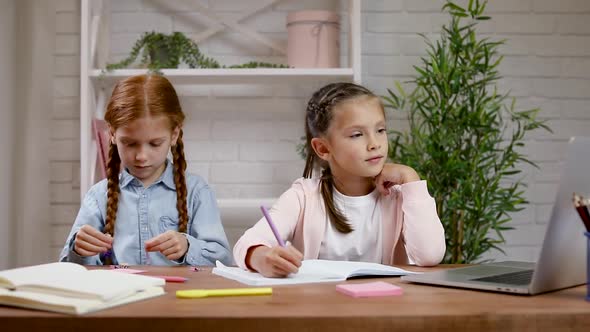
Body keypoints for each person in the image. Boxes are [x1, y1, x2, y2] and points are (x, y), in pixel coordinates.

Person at [233, 82, 445, 277]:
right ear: (323, 148)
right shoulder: (303, 197)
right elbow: (247, 243)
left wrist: (411, 178)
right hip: (318, 309)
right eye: (356, 135)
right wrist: (261, 258)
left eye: (380, 130)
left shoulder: (397, 197)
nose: (375, 143)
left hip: (383, 309)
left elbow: (430, 255)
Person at [59, 74, 232, 266]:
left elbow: (222, 259)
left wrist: (187, 246)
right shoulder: (99, 196)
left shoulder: (197, 191)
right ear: (113, 134)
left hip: (177, 295)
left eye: (155, 143)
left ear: (174, 134)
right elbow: (69, 266)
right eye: (130, 143)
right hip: (120, 295)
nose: (141, 156)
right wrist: (79, 249)